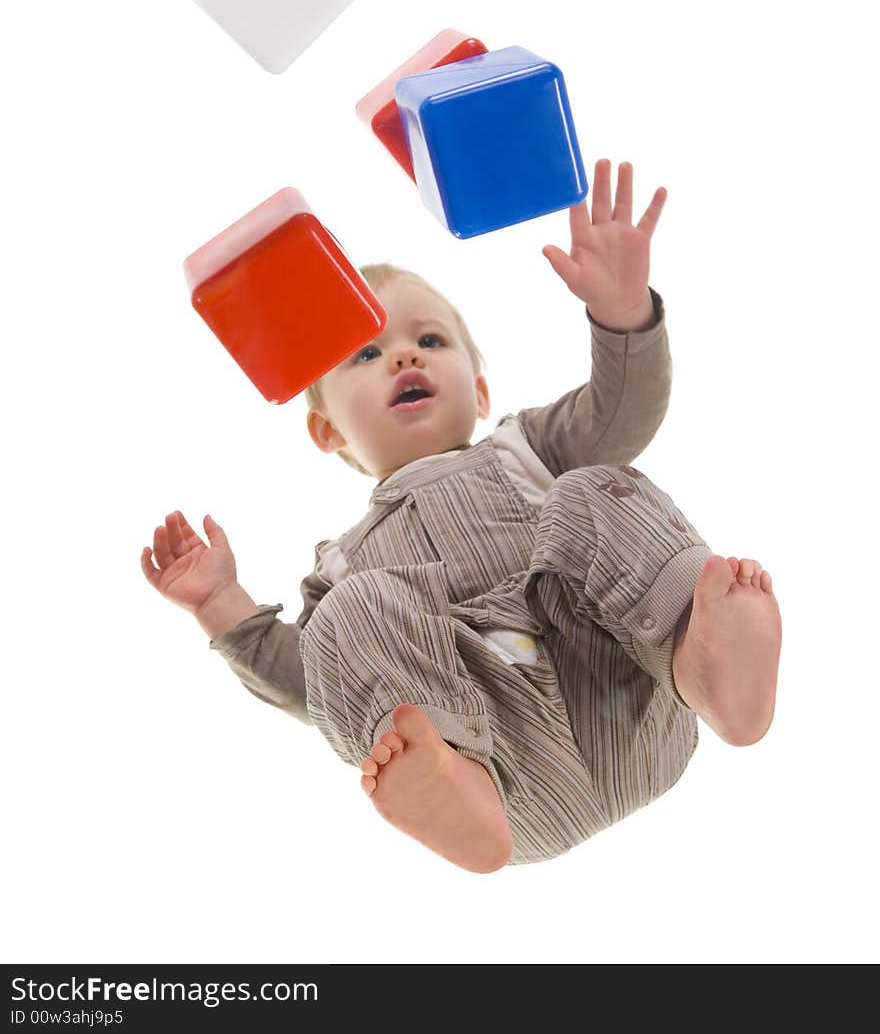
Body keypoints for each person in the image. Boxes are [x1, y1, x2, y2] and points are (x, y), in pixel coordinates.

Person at [141, 160, 781, 872]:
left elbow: (621, 410)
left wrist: (623, 312)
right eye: (365, 352)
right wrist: (217, 603)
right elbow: (312, 684)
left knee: (596, 486)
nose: (404, 354)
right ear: (327, 433)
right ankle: (449, 772)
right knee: (345, 622)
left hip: (633, 691)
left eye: (432, 341)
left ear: (478, 391)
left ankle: (703, 656)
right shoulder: (347, 566)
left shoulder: (528, 449)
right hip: (509, 770)